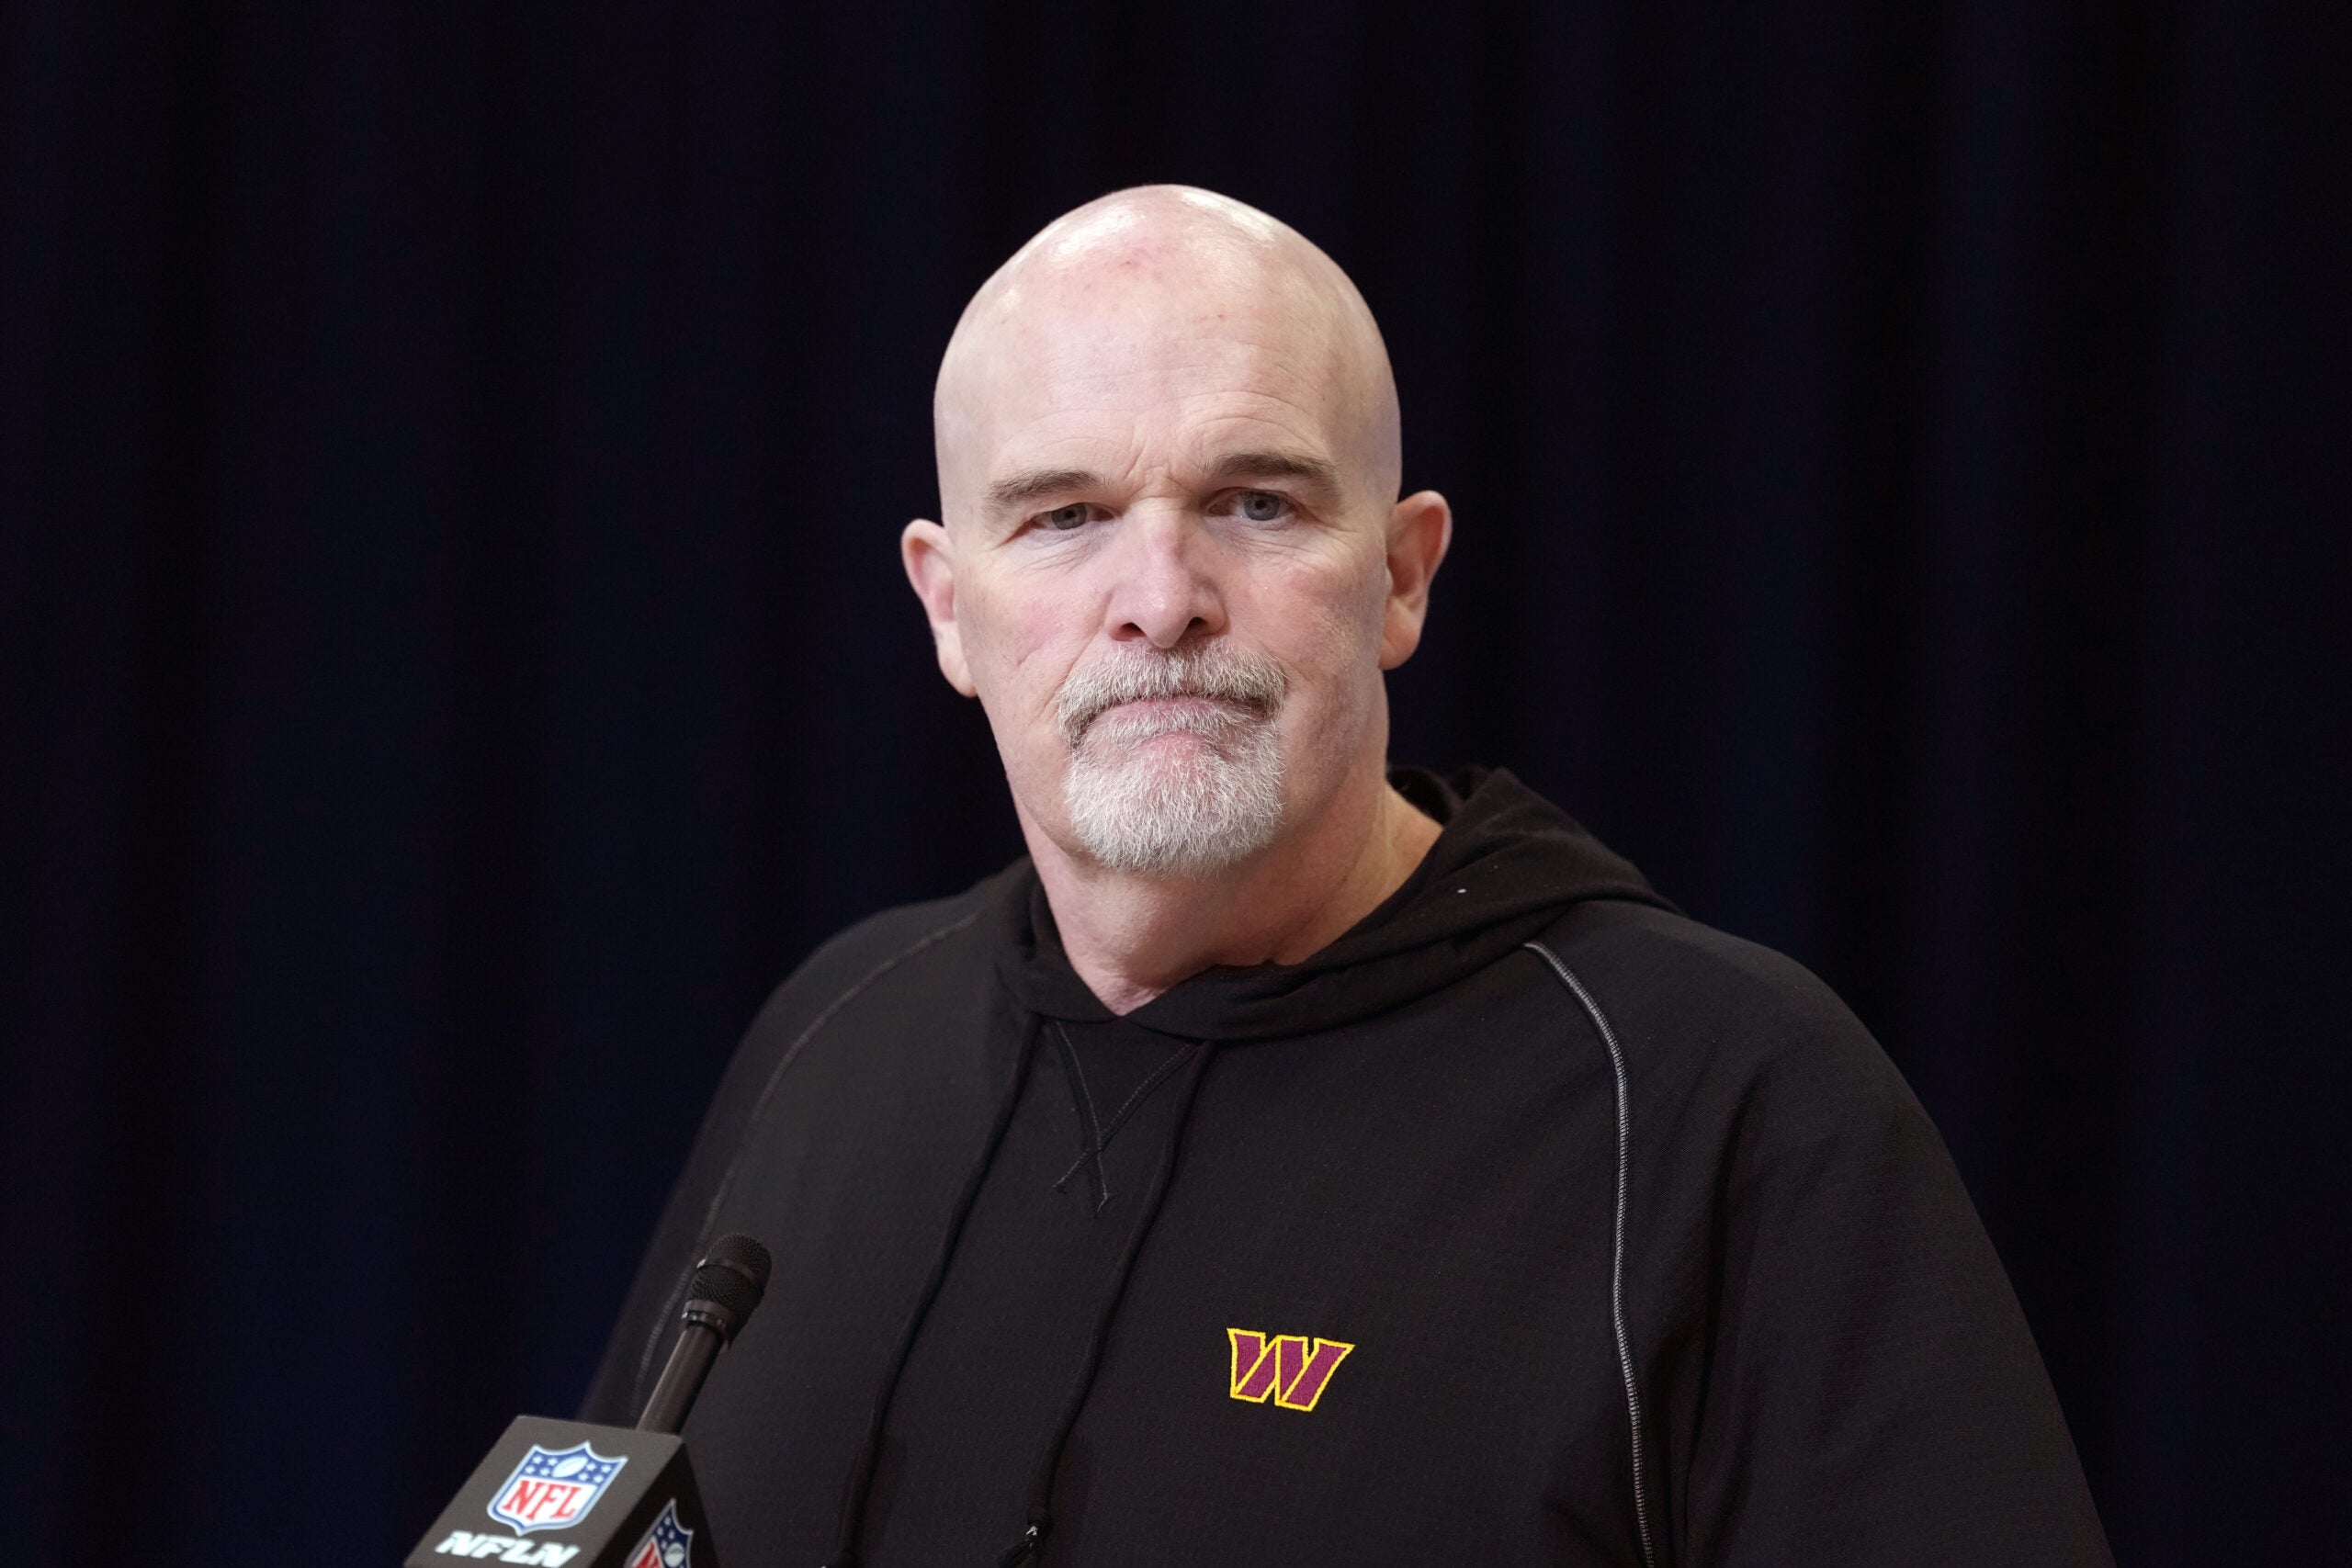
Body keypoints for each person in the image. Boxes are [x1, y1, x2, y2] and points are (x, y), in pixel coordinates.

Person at [582, 186, 2111, 1567]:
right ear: (946, 607)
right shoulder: (836, 1033)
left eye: (1255, 503)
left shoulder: (1723, 1103)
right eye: (1066, 518)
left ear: (1401, 575)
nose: (1161, 601)